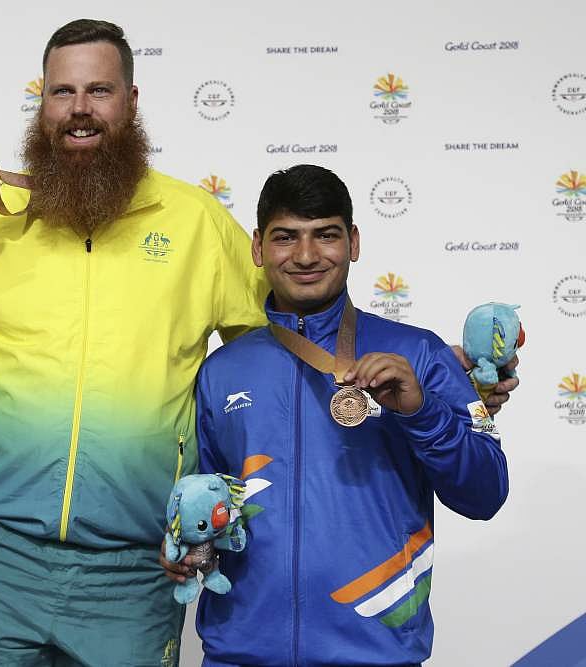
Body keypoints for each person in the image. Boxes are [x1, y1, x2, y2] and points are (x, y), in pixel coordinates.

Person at [0, 18, 516, 665]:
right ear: (42, 102)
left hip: (132, 568)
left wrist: (445, 376)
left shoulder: (194, 220)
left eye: (100, 90)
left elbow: (296, 333)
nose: (80, 110)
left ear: (131, 102)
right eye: (62, 92)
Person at [162, 164, 509, 666]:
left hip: (375, 652)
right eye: (286, 237)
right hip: (240, 654)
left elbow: (486, 493)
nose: (305, 256)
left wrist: (421, 413)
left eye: (325, 235)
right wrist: (190, 547)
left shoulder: (420, 354)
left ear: (354, 242)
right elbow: (208, 502)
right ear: (258, 248)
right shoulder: (222, 371)